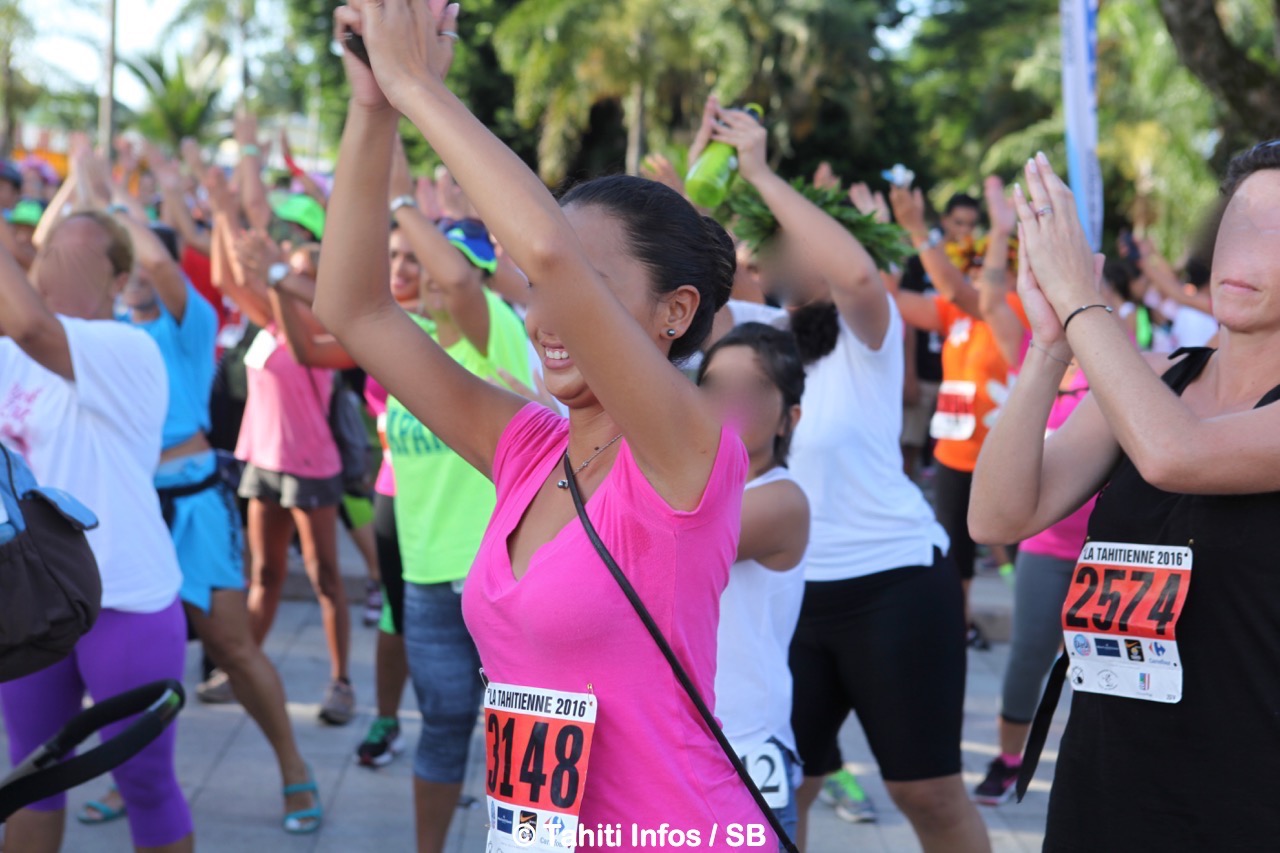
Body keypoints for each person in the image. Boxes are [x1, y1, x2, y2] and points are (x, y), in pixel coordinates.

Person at [314, 1, 777, 848]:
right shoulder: (529, 444)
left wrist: (418, 84)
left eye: (584, 290)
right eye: (528, 289)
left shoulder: (690, 450)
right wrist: (374, 106)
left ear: (676, 312)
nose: (544, 312)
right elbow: (354, 309)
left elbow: (553, 255)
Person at [970, 146, 1280, 849]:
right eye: (1238, 218)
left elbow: (1178, 455)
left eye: (1275, 228)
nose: (1242, 243)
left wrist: (1085, 303)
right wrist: (1051, 345)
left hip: (1248, 790)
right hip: (1107, 775)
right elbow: (999, 514)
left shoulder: (1157, 411)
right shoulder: (1156, 379)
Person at [705, 106, 987, 853]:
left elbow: (859, 271)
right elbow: (667, 301)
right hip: (791, 597)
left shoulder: (871, 329)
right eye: (773, 244)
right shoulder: (756, 335)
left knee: (925, 792)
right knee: (772, 787)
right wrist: (706, 180)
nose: (782, 256)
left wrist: (764, 173)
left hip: (892, 582)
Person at [0, 211, 193, 853]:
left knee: (144, 783)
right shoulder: (10, 353)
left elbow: (32, 322)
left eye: (80, 257)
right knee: (31, 777)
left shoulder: (126, 347)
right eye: (53, 250)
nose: (59, 266)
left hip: (128, 600)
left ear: (116, 279)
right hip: (32, 602)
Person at [213, 209, 355, 725]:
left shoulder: (321, 330)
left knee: (325, 580)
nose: (287, 278)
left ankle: (341, 683)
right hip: (264, 462)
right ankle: (241, 670)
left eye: (298, 273)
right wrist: (222, 208)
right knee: (266, 573)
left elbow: (303, 340)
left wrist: (277, 275)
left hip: (310, 466)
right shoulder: (271, 319)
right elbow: (226, 278)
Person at [889, 176, 1026, 646]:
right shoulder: (958, 315)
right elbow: (898, 299)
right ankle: (958, 625)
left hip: (999, 453)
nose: (973, 273)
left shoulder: (1013, 309)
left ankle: (1033, 628)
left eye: (982, 265)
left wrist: (916, 229)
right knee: (956, 551)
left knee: (1014, 549)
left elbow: (952, 287)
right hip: (952, 452)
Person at [698, 322, 809, 844]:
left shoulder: (782, 501)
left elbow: (671, 538)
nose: (729, 403)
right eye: (714, 387)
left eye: (751, 390)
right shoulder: (689, 489)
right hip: (676, 749)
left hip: (743, 754)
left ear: (790, 418)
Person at [896, 193, 981, 479]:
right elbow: (907, 320)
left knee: (955, 453)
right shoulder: (919, 262)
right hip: (925, 369)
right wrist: (908, 372)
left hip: (962, 376)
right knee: (909, 444)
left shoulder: (975, 263)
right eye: (958, 222)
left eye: (971, 224)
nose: (964, 231)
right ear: (944, 221)